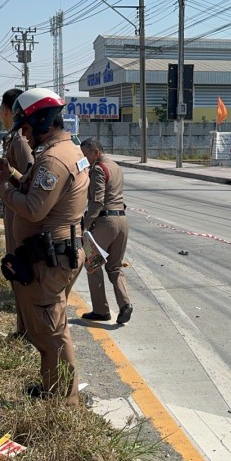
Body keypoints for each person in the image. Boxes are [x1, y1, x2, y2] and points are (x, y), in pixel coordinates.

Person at [0, 88, 89, 405]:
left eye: (26, 129)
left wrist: (3, 186)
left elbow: (33, 208)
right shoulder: (64, 151)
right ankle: (53, 390)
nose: (25, 137)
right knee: (48, 329)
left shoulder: (54, 160)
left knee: (51, 333)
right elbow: (39, 189)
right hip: (56, 252)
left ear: (42, 122)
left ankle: (63, 401)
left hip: (49, 257)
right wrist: (12, 175)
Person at [79, 138, 132, 325]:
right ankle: (125, 304)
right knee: (115, 267)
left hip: (105, 221)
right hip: (122, 220)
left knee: (92, 264)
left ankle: (101, 310)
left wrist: (86, 224)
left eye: (85, 154)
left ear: (95, 152)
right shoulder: (116, 166)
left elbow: (97, 200)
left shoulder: (98, 169)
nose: (84, 158)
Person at [0, 88, 35, 338]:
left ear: (9, 111)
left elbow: (28, 179)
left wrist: (8, 173)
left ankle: (27, 330)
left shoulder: (20, 141)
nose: (0, 114)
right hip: (11, 209)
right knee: (14, 271)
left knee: (19, 269)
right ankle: (23, 328)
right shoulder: (13, 138)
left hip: (18, 212)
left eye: (2, 109)